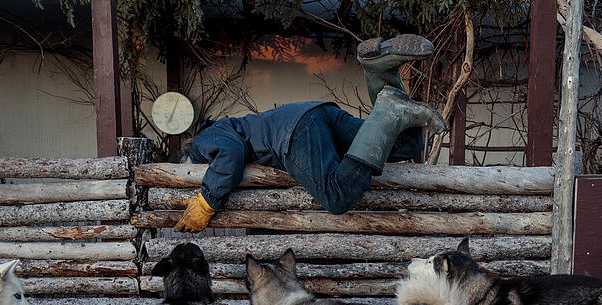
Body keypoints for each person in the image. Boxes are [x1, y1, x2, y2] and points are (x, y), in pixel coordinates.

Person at [175, 34, 447, 232]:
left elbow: (230, 154)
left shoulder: (202, 141)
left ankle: (387, 108)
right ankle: (379, 73)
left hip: (292, 132)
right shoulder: (231, 127)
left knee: (337, 196)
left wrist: (207, 202)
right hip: (314, 114)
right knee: (403, 146)